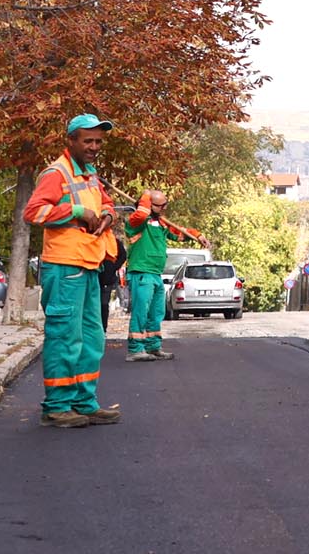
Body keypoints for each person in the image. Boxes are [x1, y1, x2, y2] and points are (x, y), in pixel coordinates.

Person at [23, 116, 122, 427]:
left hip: (89, 262)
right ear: (71, 141)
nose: (94, 147)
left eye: (98, 142)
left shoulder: (89, 173)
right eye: (88, 141)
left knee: (92, 337)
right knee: (65, 337)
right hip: (64, 266)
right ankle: (56, 407)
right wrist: (77, 211)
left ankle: (84, 402)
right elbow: (34, 212)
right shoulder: (56, 173)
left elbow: (106, 202)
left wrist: (106, 216)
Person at [122, 189, 200, 361]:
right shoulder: (136, 222)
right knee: (141, 312)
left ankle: (153, 346)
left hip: (156, 273)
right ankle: (135, 350)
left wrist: (197, 236)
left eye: (165, 204)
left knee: (157, 312)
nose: (164, 208)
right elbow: (141, 215)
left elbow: (180, 233)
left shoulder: (161, 224)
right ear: (148, 205)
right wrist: (146, 195)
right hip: (142, 272)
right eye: (160, 205)